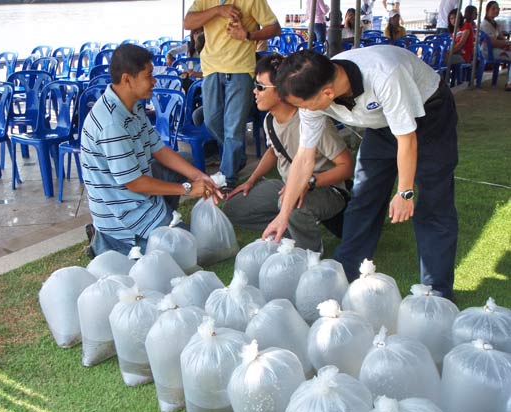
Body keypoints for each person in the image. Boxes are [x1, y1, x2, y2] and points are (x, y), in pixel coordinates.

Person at [263, 48, 459, 300]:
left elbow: (407, 139)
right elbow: (304, 158)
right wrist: (283, 214)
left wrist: (405, 192)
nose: (301, 111)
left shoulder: (385, 75)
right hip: (380, 124)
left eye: (301, 105)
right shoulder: (313, 89)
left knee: (434, 202)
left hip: (428, 113)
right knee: (364, 196)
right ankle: (346, 273)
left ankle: (437, 293)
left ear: (327, 94)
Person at [81, 44, 220, 257]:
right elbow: (134, 183)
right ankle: (111, 240)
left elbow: (159, 149)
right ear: (127, 79)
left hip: (137, 195)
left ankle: (161, 218)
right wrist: (187, 188)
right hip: (123, 212)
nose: (154, 80)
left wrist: (199, 176)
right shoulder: (112, 124)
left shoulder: (133, 105)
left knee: (185, 160)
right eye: (149, 75)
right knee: (189, 252)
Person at [223, 54, 354, 253]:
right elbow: (274, 151)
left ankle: (308, 256)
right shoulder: (269, 120)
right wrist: (251, 180)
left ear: (282, 90)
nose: (254, 92)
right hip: (287, 185)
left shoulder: (311, 121)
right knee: (234, 208)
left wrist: (309, 181)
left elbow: (347, 166)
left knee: (289, 204)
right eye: (255, 85)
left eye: (260, 87)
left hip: (327, 189)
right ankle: (291, 228)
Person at [183, 0, 281, 190]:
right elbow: (188, 22)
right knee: (211, 121)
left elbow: (275, 28)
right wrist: (218, 10)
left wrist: (248, 35)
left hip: (241, 68)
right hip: (211, 68)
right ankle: (238, 157)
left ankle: (228, 178)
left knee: (233, 126)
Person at [480, 1, 511, 91]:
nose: (496, 10)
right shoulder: (485, 24)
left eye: (497, 8)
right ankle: (510, 83)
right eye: (493, 8)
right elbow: (492, 42)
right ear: (487, 10)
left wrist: (507, 43)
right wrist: (507, 44)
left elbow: (501, 38)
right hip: (487, 51)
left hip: (495, 49)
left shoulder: (495, 23)